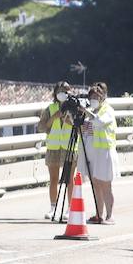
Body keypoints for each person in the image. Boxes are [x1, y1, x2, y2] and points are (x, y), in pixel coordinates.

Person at [76, 82, 119, 224]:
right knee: (95, 184)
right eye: (92, 96)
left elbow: (99, 122)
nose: (93, 99)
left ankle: (110, 215)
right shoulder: (89, 112)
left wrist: (86, 111)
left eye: (96, 96)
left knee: (106, 184)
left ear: (103, 97)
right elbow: (84, 130)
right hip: (93, 153)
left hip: (105, 153)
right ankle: (99, 214)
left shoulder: (108, 111)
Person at [37, 81, 75, 219]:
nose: (62, 93)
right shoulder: (50, 108)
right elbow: (41, 127)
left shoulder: (73, 108)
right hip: (53, 147)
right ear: (55, 93)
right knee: (54, 179)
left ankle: (70, 209)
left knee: (69, 179)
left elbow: (80, 126)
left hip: (69, 147)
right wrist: (53, 118)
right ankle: (53, 207)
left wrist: (70, 120)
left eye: (65, 91)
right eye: (60, 91)